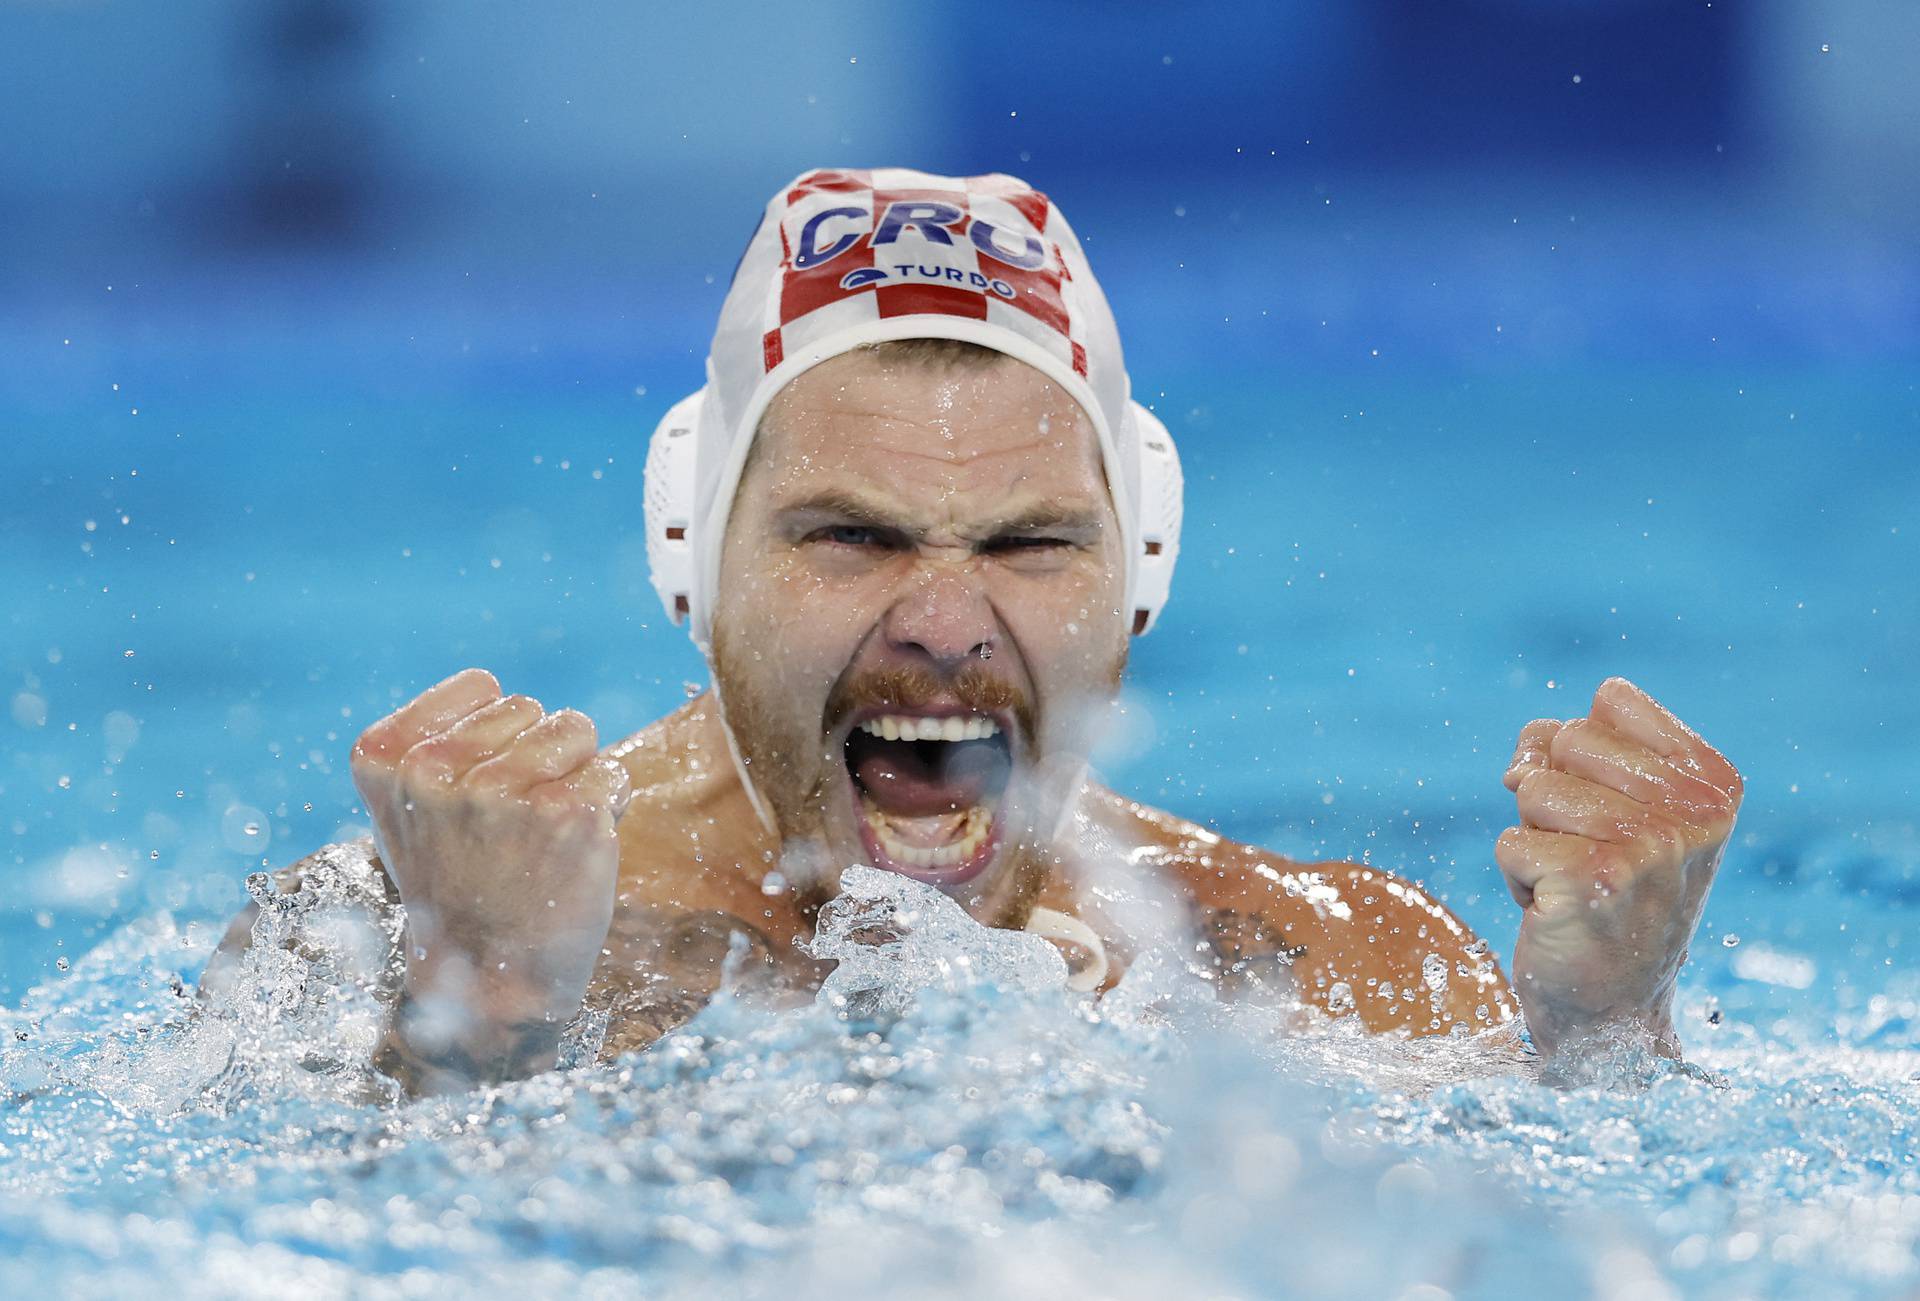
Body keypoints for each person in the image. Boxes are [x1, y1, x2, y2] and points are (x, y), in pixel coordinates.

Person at [205, 168, 1743, 1096]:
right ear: (693, 559)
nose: (946, 624)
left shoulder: (1333, 963)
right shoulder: (382, 939)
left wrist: (1612, 1039)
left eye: (1026, 543)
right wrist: (478, 1025)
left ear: (1136, 574)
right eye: (851, 534)